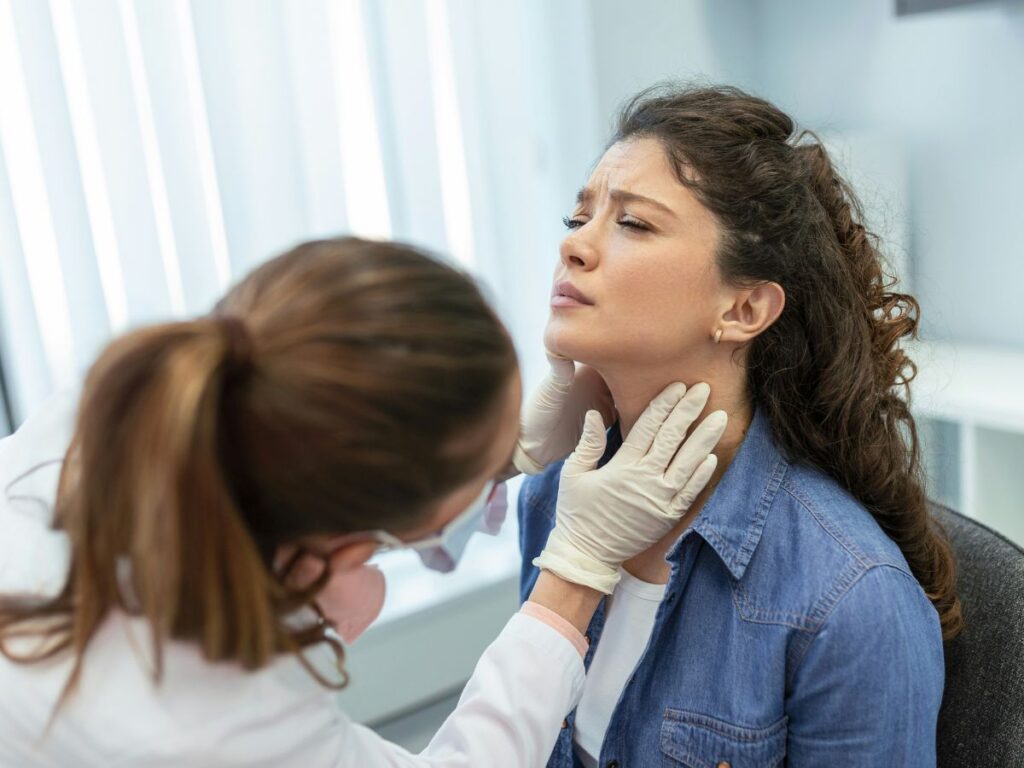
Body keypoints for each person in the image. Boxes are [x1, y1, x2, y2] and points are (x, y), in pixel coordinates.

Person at [0, 237, 728, 766]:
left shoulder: (119, 420)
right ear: (344, 549)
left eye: (635, 224)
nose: (576, 244)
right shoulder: (217, 729)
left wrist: (495, 460)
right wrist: (574, 572)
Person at [517, 85, 960, 767]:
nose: (575, 245)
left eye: (633, 224)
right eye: (578, 217)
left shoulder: (850, 600)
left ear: (746, 308)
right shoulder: (552, 498)